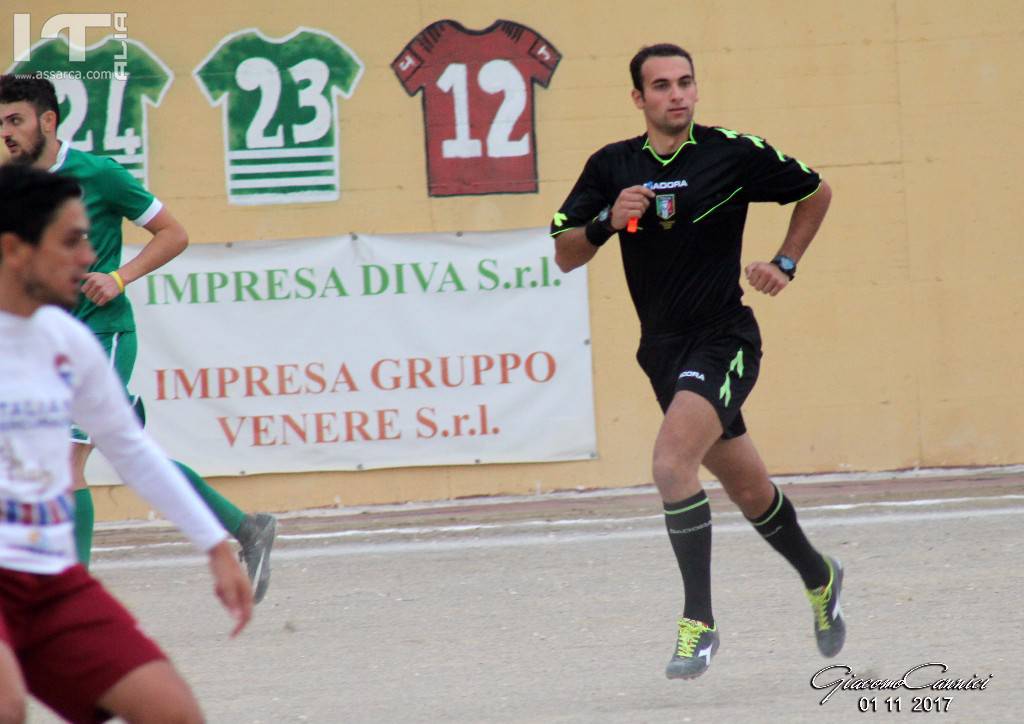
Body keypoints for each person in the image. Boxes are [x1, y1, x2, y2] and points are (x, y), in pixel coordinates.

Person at [549, 43, 843, 679]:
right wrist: (604, 222)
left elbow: (815, 191)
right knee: (747, 488)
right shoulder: (612, 165)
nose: (676, 94)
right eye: (660, 85)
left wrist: (785, 261)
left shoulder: (730, 153)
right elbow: (566, 253)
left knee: (669, 462)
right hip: (661, 351)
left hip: (724, 338)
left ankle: (698, 623)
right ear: (639, 99)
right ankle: (821, 576)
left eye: (685, 82)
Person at [0, 75, 276, 602]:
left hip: (101, 334)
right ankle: (245, 527)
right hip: (43, 344)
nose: (6, 132)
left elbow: (174, 232)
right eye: (0, 123)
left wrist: (119, 277)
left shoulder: (97, 173)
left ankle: (70, 595)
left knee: (65, 461)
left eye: (16, 120)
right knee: (125, 453)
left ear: (48, 121)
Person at [0, 163, 253, 723]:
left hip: (46, 576)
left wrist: (213, 545)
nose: (89, 256)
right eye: (71, 241)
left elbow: (132, 449)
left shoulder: (69, 340)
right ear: (16, 250)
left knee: (173, 711)